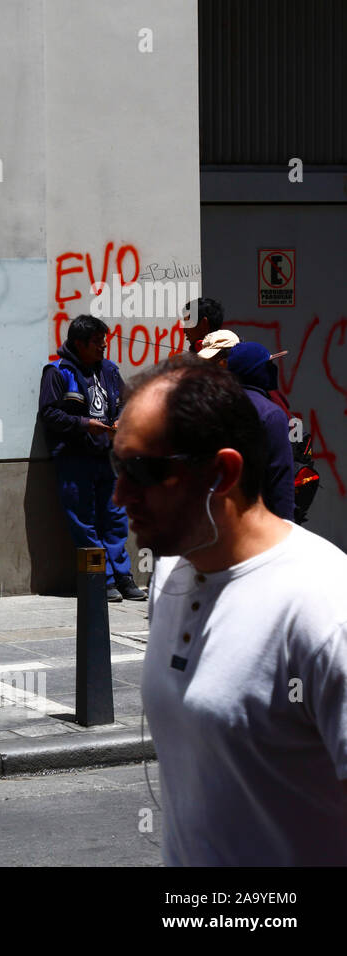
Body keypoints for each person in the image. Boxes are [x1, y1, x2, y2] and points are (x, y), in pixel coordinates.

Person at [113, 354, 347, 865]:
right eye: (117, 465)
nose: (119, 494)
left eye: (141, 471)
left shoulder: (325, 606)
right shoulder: (169, 577)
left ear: (222, 472)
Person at [38, 314, 144, 601]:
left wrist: (121, 421)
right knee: (84, 520)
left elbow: (125, 403)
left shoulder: (109, 370)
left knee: (114, 518)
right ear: (79, 343)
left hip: (107, 457)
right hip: (75, 458)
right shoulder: (58, 372)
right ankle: (102, 579)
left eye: (103, 340)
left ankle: (123, 577)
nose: (103, 346)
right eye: (97, 342)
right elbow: (49, 414)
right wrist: (85, 425)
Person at [224, 342, 295, 521]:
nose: (273, 369)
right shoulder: (270, 415)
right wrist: (286, 529)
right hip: (260, 524)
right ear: (256, 370)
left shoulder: (216, 406)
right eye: (268, 364)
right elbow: (280, 479)